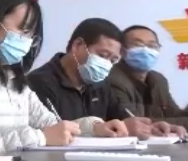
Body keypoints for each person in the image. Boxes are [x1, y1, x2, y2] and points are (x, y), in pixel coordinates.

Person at [0, 0, 132, 155]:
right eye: (23, 30)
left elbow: (52, 124)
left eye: (31, 35)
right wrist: (40, 137)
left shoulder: (12, 76)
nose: (26, 41)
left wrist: (94, 127)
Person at [27, 18, 156, 139]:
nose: (106, 64)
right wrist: (97, 128)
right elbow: (53, 132)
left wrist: (150, 128)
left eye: (113, 60)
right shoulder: (38, 83)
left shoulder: (101, 83)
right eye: (102, 55)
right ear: (77, 45)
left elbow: (122, 119)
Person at [108, 25, 188, 136]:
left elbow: (174, 115)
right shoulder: (112, 79)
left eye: (152, 46)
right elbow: (133, 123)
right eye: (138, 45)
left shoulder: (158, 80)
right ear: (122, 51)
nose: (145, 50)